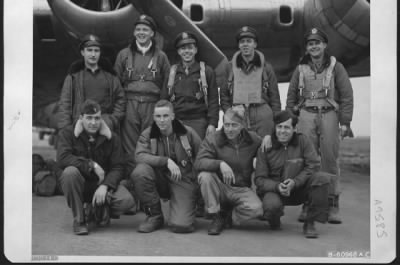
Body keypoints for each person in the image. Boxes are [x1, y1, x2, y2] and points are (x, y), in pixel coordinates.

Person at [286, 27, 354, 224]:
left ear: (324, 45)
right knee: (307, 160)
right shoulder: (300, 69)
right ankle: (308, 203)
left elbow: (347, 96)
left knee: (330, 160)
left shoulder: (336, 68)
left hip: (329, 115)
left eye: (317, 43)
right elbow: (291, 98)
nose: (314, 46)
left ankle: (332, 203)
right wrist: (292, 120)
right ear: (307, 48)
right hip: (306, 115)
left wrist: (345, 122)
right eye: (310, 44)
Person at [57, 99, 135, 235]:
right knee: (69, 173)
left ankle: (94, 211)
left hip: (101, 185)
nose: (93, 123)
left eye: (97, 118)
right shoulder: (67, 134)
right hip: (80, 185)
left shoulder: (112, 138)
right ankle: (79, 220)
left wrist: (105, 186)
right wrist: (91, 165)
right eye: (89, 118)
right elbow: (63, 158)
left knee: (126, 201)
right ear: (81, 118)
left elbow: (118, 167)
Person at [255, 110, 330, 238]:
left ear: (294, 129)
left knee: (321, 179)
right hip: (275, 190)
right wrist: (277, 186)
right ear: (275, 127)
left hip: (298, 189)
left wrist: (295, 182)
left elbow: (313, 165)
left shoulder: (303, 141)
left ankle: (310, 222)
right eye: (279, 127)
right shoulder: (266, 147)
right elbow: (259, 179)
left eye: (286, 127)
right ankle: (274, 218)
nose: (282, 131)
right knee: (272, 207)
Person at [131, 100, 202, 233]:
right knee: (140, 172)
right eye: (158, 116)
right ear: (153, 117)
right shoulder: (148, 134)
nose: (162, 120)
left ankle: (189, 208)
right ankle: (155, 216)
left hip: (182, 179)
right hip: (159, 178)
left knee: (181, 226)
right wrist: (165, 161)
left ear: (173, 116)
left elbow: (202, 158)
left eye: (165, 116)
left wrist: (198, 185)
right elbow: (139, 156)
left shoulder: (188, 133)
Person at [114, 14, 171, 173]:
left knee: (151, 144)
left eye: (145, 29)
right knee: (130, 146)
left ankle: (148, 181)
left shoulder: (161, 57)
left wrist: (161, 109)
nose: (141, 32)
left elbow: (167, 85)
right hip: (130, 104)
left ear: (152, 33)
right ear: (134, 32)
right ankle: (133, 182)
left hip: (152, 106)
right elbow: (116, 84)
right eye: (138, 29)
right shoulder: (123, 55)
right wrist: (120, 108)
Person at [195, 106, 263, 235]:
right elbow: (199, 162)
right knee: (205, 176)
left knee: (257, 209)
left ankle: (228, 216)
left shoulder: (253, 139)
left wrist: (268, 139)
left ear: (242, 125)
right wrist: (219, 164)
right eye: (226, 125)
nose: (230, 129)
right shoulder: (212, 139)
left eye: (234, 125)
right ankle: (215, 216)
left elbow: (267, 148)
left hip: (241, 188)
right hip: (221, 187)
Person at [220, 26, 281, 137]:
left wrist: (277, 119)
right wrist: (230, 113)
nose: (245, 44)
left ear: (255, 44)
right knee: (241, 149)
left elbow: (275, 97)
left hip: (262, 113)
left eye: (249, 41)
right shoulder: (229, 68)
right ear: (239, 45)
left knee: (265, 147)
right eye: (242, 42)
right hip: (238, 113)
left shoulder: (266, 68)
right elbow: (224, 96)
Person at [58, 34, 126, 132]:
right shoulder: (73, 77)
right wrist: (65, 130)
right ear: (82, 52)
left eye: (96, 50)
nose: (93, 54)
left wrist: (112, 120)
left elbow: (121, 100)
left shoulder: (111, 77)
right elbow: (65, 104)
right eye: (89, 50)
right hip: (80, 127)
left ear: (100, 53)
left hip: (104, 127)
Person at [167, 31, 219, 139]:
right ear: (178, 51)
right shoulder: (171, 73)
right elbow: (164, 99)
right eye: (183, 48)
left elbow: (213, 100)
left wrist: (212, 124)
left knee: (199, 153)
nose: (187, 51)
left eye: (190, 48)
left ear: (195, 50)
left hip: (199, 121)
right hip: (177, 121)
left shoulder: (207, 72)